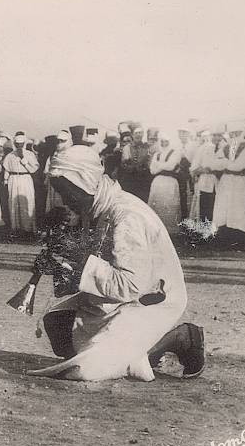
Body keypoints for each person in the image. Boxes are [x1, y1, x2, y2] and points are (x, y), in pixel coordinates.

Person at [26, 145, 202, 381]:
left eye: (68, 193)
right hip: (119, 301)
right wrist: (59, 266)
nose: (65, 201)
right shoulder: (101, 206)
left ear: (86, 181)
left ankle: (177, 338)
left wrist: (76, 258)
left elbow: (130, 285)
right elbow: (95, 268)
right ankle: (127, 351)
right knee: (57, 325)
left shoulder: (127, 215)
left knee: (85, 370)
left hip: (149, 302)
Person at [212, 138, 245, 248]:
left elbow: (237, 166)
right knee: (224, 210)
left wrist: (225, 162)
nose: (234, 136)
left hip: (239, 181)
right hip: (226, 181)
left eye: (237, 133)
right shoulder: (225, 147)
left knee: (239, 210)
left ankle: (241, 240)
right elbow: (214, 164)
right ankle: (225, 239)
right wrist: (227, 163)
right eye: (232, 133)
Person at [3, 131, 40, 236]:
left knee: (26, 202)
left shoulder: (30, 154)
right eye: (17, 144)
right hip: (13, 179)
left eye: (21, 144)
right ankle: (16, 228)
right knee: (14, 203)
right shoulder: (10, 155)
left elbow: (33, 169)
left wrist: (23, 159)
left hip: (25, 178)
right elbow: (7, 169)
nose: (19, 145)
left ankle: (28, 229)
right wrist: (5, 181)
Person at [147, 134, 184, 235]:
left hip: (170, 182)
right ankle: (156, 229)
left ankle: (170, 232)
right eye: (162, 141)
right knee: (157, 204)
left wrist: (159, 166)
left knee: (169, 206)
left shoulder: (175, 152)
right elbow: (152, 170)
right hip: (157, 182)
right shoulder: (157, 154)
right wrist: (162, 166)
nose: (164, 143)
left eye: (166, 141)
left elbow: (171, 166)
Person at [189, 130, 225, 223]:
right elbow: (194, 168)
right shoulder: (203, 148)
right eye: (215, 135)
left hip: (221, 184)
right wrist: (204, 170)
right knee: (205, 212)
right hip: (206, 184)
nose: (217, 138)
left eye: (219, 135)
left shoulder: (226, 148)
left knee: (219, 212)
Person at [118, 126, 152, 202]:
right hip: (129, 179)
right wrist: (131, 168)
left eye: (140, 133)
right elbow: (123, 164)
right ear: (133, 135)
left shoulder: (147, 148)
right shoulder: (127, 147)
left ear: (143, 135)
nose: (138, 135)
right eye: (136, 133)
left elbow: (149, 163)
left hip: (142, 181)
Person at [43, 130, 71, 215]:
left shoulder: (71, 155)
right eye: (59, 141)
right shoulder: (52, 156)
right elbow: (46, 171)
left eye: (63, 141)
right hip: (53, 186)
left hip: (66, 186)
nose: (60, 143)